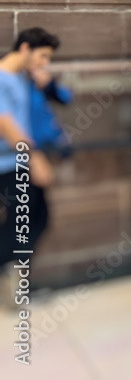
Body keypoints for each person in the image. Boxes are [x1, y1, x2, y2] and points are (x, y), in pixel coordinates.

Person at [0, 29, 59, 306]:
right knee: (22, 225)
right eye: (43, 55)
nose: (45, 62)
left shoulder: (19, 79)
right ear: (25, 48)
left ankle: (19, 287)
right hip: (9, 164)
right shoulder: (1, 77)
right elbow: (6, 125)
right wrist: (33, 157)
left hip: (17, 161)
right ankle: (14, 292)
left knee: (35, 220)